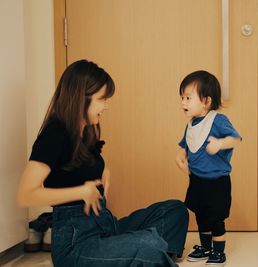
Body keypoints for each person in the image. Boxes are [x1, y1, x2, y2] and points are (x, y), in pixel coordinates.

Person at [17, 59, 188, 267]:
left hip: (105, 225)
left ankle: (143, 255)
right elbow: (25, 194)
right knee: (147, 245)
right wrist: (81, 192)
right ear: (81, 98)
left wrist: (105, 171)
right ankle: (148, 254)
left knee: (175, 211)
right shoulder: (55, 134)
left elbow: (85, 165)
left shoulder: (84, 130)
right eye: (101, 99)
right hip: (76, 243)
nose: (105, 106)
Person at [175, 70, 241, 266]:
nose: (183, 103)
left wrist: (220, 144)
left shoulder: (218, 120)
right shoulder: (192, 124)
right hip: (197, 180)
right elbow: (185, 145)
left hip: (216, 182)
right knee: (201, 215)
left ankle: (218, 252)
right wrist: (180, 156)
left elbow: (236, 139)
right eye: (182, 98)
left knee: (216, 218)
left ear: (206, 101)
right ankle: (205, 248)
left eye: (188, 98)